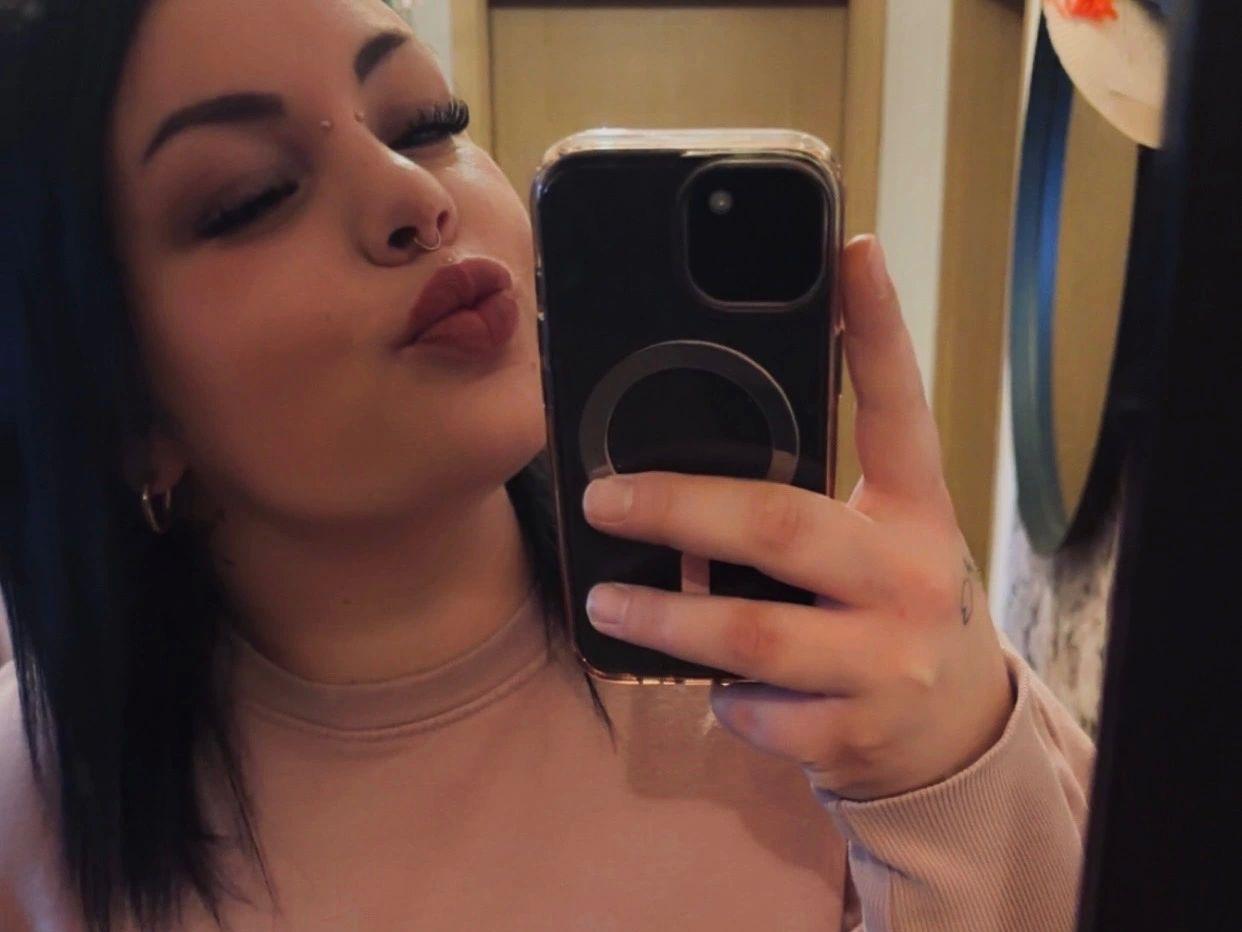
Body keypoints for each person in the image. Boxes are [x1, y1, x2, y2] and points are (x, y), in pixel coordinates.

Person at [0, 1, 1095, 930]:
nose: (415, 195)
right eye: (251, 196)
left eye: (426, 123)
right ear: (119, 406)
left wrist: (954, 780)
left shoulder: (847, 679)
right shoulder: (31, 815)